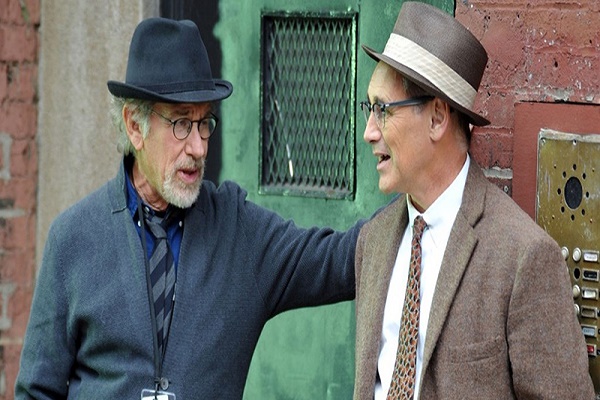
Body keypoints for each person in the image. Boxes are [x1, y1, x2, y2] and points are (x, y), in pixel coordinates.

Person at [15, 18, 362, 399]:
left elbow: (344, 258)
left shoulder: (240, 232)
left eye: (204, 123)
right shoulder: (73, 239)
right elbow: (37, 391)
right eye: (181, 123)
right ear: (135, 126)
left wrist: (414, 198)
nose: (198, 147)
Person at [353, 2, 594, 399]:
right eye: (369, 108)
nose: (369, 132)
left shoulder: (523, 258)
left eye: (382, 110)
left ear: (437, 118)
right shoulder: (374, 242)